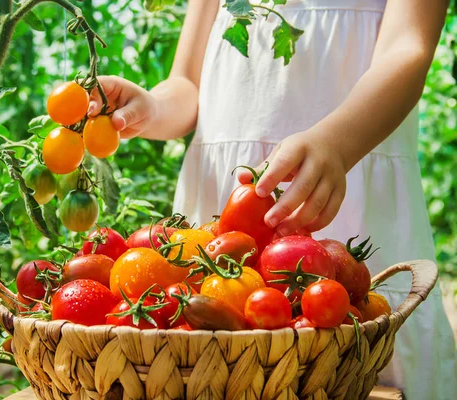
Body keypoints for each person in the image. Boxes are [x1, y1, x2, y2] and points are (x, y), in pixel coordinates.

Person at [87, 0, 457, 398]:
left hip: (348, 180)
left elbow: (408, 48)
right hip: (226, 205)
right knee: (213, 359)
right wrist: (153, 107)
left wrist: (337, 144)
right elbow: (188, 84)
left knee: (359, 345)